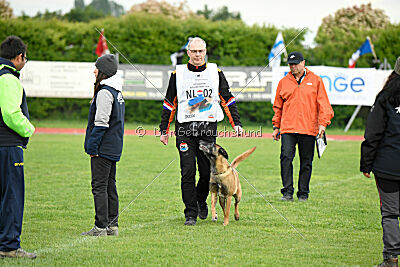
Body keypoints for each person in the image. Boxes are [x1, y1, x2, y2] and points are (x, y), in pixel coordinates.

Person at [159, 37, 243, 226]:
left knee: (206, 173)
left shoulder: (216, 72)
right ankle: (190, 213)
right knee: (187, 171)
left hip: (207, 130)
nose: (197, 55)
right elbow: (169, 102)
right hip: (184, 131)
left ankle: (199, 199)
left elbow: (227, 98)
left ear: (205, 52)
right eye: (194, 51)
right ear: (188, 53)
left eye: (201, 51)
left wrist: (235, 122)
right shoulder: (177, 74)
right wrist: (164, 129)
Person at [272, 51, 334, 202]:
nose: (293, 66)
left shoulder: (316, 81)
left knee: (306, 162)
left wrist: (322, 124)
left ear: (303, 63)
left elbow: (324, 105)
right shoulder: (283, 82)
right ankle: (287, 192)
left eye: (296, 63)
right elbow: (278, 107)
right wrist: (276, 126)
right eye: (290, 64)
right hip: (288, 128)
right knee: (286, 158)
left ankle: (303, 194)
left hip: (308, 128)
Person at [360, 56, 400, 267]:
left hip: (388, 167)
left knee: (391, 213)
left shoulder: (385, 97)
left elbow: (373, 133)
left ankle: (391, 259)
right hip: (389, 165)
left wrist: (366, 163)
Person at [0, 36, 36, 259]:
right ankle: (10, 246)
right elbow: (11, 114)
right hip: (8, 146)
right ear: (19, 56)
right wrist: (29, 129)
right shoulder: (8, 79)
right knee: (12, 196)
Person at [82, 54, 125, 236]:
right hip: (114, 146)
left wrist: (92, 147)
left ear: (104, 72)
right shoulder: (117, 92)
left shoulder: (105, 92)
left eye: (96, 68)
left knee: (99, 186)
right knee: (110, 185)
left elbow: (101, 122)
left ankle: (100, 226)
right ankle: (112, 226)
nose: (94, 70)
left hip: (103, 148)